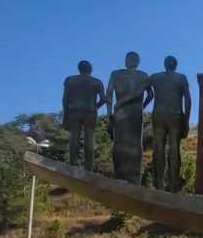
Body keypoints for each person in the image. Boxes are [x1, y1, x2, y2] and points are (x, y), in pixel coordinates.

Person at [144, 55, 192, 193]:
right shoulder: (181, 78)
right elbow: (188, 100)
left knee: (158, 146)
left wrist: (142, 106)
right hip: (175, 114)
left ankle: (159, 184)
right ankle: (172, 185)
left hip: (158, 114)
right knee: (174, 147)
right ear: (175, 65)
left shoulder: (154, 77)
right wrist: (186, 121)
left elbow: (145, 91)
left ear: (165, 64)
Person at [106, 51, 152, 184]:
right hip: (136, 113)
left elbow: (109, 95)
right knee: (136, 145)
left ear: (128, 61)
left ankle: (119, 178)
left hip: (120, 112)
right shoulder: (143, 76)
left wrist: (109, 114)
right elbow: (151, 95)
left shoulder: (116, 74)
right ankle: (134, 180)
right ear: (137, 62)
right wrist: (142, 106)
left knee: (119, 145)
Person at [62, 60, 105, 171]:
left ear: (79, 69)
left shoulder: (70, 80)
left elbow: (65, 99)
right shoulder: (97, 82)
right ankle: (88, 168)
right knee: (89, 138)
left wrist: (65, 115)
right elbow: (103, 99)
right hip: (91, 111)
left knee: (74, 137)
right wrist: (95, 107)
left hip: (74, 111)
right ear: (90, 70)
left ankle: (73, 165)